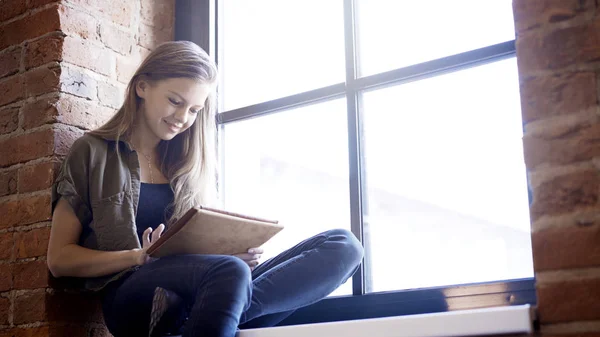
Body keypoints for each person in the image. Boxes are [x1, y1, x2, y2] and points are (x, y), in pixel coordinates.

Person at [47, 40, 364, 337]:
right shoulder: (92, 152)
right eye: (175, 101)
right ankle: (223, 303)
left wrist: (229, 253)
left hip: (204, 287)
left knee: (343, 245)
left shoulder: (187, 165)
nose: (182, 118)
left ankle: (216, 310)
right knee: (230, 275)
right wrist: (137, 256)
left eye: (194, 110)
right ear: (142, 87)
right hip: (133, 295)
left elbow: (202, 257)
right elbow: (59, 260)